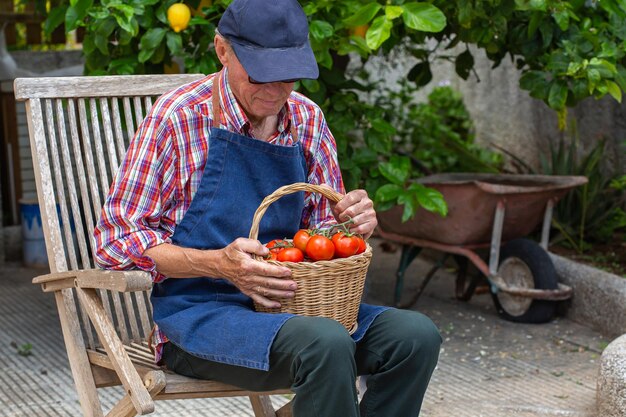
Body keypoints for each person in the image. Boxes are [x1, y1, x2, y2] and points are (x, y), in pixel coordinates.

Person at [94, 0, 441, 415]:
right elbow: (115, 241)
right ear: (223, 50)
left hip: (295, 308)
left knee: (414, 335)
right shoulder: (178, 118)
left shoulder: (307, 119)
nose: (276, 90)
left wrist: (350, 224)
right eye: (260, 74)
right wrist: (218, 264)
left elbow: (322, 231)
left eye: (288, 75)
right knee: (325, 344)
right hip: (199, 316)